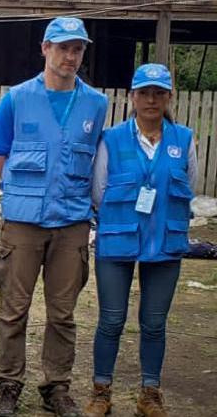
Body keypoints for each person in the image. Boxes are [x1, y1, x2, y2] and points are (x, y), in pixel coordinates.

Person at [0, 17, 108, 417]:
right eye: (63, 47)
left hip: (72, 222)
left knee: (62, 313)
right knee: (13, 308)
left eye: (77, 49)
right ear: (45, 49)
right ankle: (7, 384)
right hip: (23, 222)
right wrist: (27, 192)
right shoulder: (17, 99)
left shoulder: (96, 103)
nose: (70, 56)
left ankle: (55, 387)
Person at [83, 64, 196, 417]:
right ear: (132, 97)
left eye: (159, 93)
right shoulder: (112, 139)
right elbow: (98, 191)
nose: (151, 99)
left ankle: (150, 393)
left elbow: (188, 185)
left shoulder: (184, 139)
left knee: (154, 323)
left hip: (165, 242)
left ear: (168, 98)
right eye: (144, 92)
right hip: (117, 239)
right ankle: (101, 392)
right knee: (111, 320)